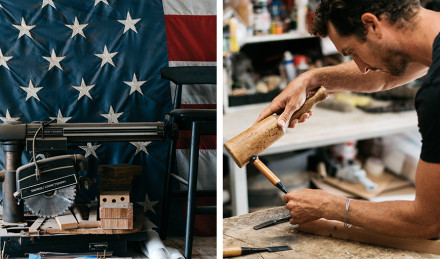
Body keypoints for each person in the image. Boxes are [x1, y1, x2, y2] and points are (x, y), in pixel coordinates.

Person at [256, 0, 440, 238]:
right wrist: (309, 80)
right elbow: (384, 77)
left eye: (352, 51)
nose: (361, 67)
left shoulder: (436, 94)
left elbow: (429, 222)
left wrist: (333, 207)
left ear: (371, 24)